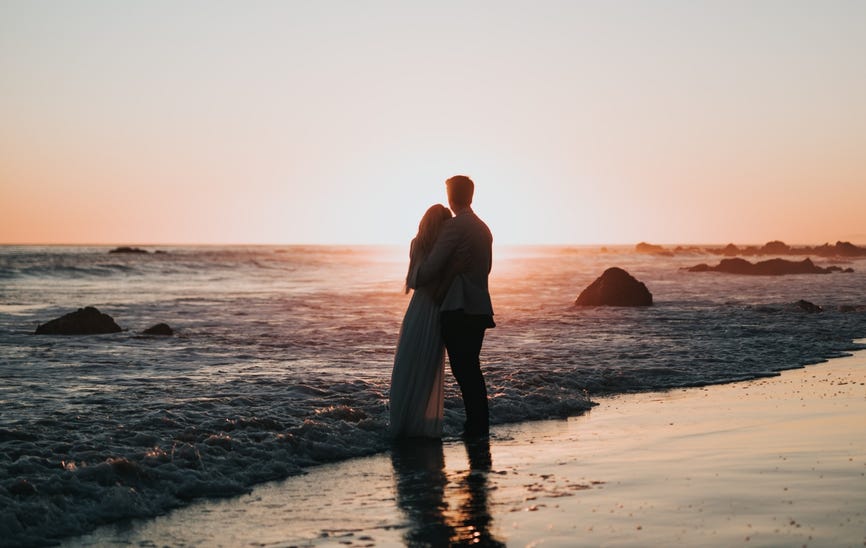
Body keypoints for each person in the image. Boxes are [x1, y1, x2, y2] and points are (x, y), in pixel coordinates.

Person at [416, 175, 495, 437]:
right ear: (471, 196)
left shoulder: (455, 227)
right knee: (471, 369)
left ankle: (475, 427)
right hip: (480, 308)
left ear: (451, 197)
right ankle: (478, 424)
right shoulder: (483, 228)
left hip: (458, 309)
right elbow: (488, 269)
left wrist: (417, 273)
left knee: (464, 371)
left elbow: (430, 269)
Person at [389, 204, 454, 438]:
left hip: (419, 308)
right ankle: (418, 423)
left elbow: (413, 280)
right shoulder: (441, 247)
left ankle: (404, 421)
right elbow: (419, 279)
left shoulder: (420, 244)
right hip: (435, 308)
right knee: (426, 365)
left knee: (409, 363)